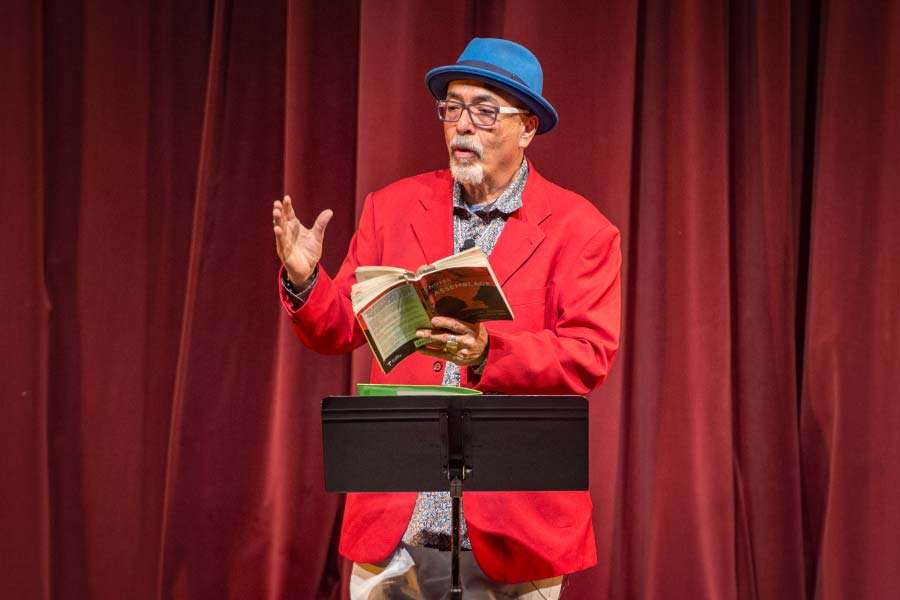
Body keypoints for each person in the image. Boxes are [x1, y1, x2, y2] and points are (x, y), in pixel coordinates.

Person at [272, 37, 621, 600]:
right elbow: (339, 329)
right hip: (395, 525)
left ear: (526, 127)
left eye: (484, 112)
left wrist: (488, 353)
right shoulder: (392, 207)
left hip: (514, 527)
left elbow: (588, 354)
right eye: (452, 108)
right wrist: (306, 280)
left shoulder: (582, 230)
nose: (462, 125)